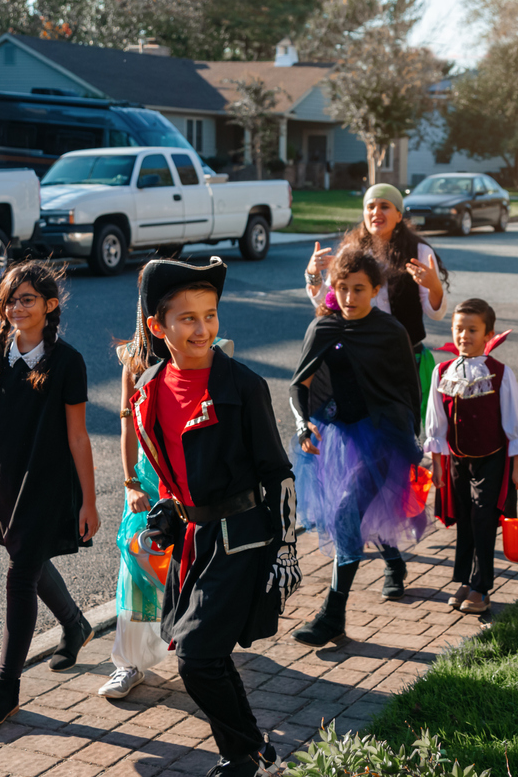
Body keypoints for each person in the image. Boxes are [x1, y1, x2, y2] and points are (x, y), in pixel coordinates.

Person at [131, 256, 298, 777]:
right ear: (159, 328)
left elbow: (278, 472)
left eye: (210, 315)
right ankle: (250, 755)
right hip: (194, 542)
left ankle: (248, 752)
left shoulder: (244, 386)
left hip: (241, 539)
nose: (203, 328)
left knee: (197, 658)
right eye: (188, 318)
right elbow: (175, 469)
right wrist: (170, 513)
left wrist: (287, 549)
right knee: (204, 652)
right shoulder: (150, 388)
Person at [0, 260, 99, 727]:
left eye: (28, 299)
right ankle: (74, 624)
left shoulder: (68, 362)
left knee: (20, 572)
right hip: (5, 482)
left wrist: (89, 499)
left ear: (50, 305)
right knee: (25, 556)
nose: (16, 307)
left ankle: (5, 688)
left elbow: (78, 437)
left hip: (47, 483)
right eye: (10, 299)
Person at [289, 247, 426, 646]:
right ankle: (395, 563)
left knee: (350, 510)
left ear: (376, 290)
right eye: (343, 288)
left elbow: (408, 388)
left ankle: (332, 616)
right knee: (364, 510)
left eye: (359, 290)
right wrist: (302, 426)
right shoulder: (324, 328)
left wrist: (413, 439)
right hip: (338, 435)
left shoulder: (391, 331)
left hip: (384, 436)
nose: (349, 298)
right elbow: (300, 383)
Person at [103, 311, 236, 699]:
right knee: (134, 565)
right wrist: (130, 483)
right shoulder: (134, 357)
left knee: (193, 568)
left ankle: (199, 644)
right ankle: (128, 663)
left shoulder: (212, 352)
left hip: (191, 480)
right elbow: (128, 424)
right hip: (147, 477)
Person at [424, 299, 518, 614]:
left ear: (488, 334)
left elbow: (514, 421)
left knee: (484, 520)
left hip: (493, 459)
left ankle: (481, 587)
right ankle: (464, 580)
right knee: (465, 521)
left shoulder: (500, 374)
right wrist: (438, 464)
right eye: (459, 328)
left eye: (473, 330)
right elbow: (437, 422)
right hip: (457, 460)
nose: (464, 336)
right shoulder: (442, 372)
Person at [304, 183, 448, 417]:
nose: (376, 212)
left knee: (400, 429)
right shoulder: (351, 250)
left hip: (404, 360)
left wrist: (435, 287)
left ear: (399, 215)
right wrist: (313, 274)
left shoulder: (419, 252)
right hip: (359, 358)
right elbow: (329, 301)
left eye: (385, 206)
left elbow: (436, 313)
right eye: (370, 206)